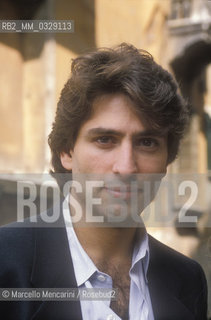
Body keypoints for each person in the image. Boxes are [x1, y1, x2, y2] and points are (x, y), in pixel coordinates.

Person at [0, 43, 208, 320]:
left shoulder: (187, 278)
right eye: (105, 140)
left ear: (167, 160)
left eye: (147, 143)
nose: (126, 167)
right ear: (67, 152)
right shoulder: (5, 262)